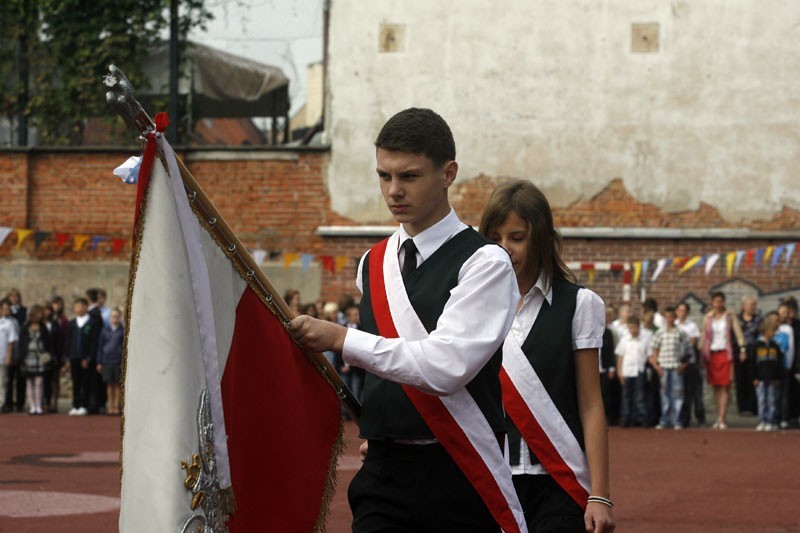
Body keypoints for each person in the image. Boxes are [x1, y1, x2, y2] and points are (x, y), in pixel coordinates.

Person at [289, 108, 526, 532]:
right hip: (384, 470)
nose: (394, 190)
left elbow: (446, 367)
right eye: (384, 176)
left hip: (458, 469)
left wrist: (343, 339)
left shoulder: (484, 262)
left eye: (409, 176)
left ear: (448, 172)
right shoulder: (373, 262)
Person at [480, 180, 615, 532]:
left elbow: (590, 403)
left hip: (558, 481)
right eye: (494, 239)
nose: (504, 249)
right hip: (490, 478)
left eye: (517, 237)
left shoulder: (579, 305)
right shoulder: (471, 307)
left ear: (540, 238)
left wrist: (599, 494)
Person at [701, 291, 746, 430]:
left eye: (720, 301)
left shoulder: (729, 316)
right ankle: (717, 416)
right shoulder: (708, 317)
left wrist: (742, 348)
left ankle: (722, 417)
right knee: (715, 386)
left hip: (726, 353)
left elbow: (738, 333)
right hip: (712, 353)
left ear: (724, 302)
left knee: (725, 385)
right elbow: (704, 335)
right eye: (716, 301)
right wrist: (701, 352)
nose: (718, 304)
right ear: (712, 303)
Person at [649, 307, 690, 430]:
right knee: (664, 394)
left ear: (675, 318)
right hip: (664, 367)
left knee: (677, 394)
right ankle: (664, 420)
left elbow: (688, 351)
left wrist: (684, 366)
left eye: (671, 317)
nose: (669, 319)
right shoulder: (660, 332)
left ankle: (676, 420)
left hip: (676, 367)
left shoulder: (681, 333)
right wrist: (657, 366)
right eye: (667, 317)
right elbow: (654, 349)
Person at [749, 313, 783, 431]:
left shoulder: (775, 346)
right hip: (761, 378)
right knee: (762, 400)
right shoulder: (757, 346)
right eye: (772, 331)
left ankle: (771, 420)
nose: (773, 333)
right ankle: (762, 420)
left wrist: (778, 377)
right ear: (765, 331)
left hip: (772, 378)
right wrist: (754, 377)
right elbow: (753, 362)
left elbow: (779, 363)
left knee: (772, 400)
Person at [616, 316, 651, 428]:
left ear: (638, 327)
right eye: (630, 328)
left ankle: (642, 418)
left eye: (635, 328)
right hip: (627, 371)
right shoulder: (624, 340)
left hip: (639, 370)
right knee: (626, 396)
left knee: (639, 395)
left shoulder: (644, 340)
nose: (633, 330)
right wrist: (619, 372)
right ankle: (626, 417)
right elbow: (620, 357)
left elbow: (649, 356)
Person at [675, 302, 705, 427]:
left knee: (694, 393)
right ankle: (683, 419)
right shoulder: (673, 325)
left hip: (690, 363)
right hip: (676, 364)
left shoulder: (692, 326)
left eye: (684, 311)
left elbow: (693, 343)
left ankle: (700, 417)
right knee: (680, 393)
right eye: (680, 310)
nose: (682, 313)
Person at [65, 297, 96, 416]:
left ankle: (84, 405)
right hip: (74, 357)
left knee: (85, 382)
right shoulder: (72, 323)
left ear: (85, 307)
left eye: (79, 306)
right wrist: (67, 358)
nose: (76, 309)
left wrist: (88, 358)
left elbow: (93, 342)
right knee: (75, 382)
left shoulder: (91, 323)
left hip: (85, 358)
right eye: (75, 307)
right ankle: (75, 405)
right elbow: (68, 342)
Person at [18, 305, 51, 415]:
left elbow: (47, 342)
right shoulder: (25, 327)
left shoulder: (43, 327)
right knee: (29, 382)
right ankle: (32, 406)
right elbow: (21, 343)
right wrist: (21, 358)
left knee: (39, 381)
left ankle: (38, 405)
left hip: (40, 357)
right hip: (28, 357)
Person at [736, 296, 762, 415]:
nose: (753, 307)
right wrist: (741, 350)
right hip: (739, 352)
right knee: (741, 379)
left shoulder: (759, 319)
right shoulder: (737, 319)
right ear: (743, 306)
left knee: (753, 379)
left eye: (754, 305)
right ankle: (742, 407)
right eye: (751, 305)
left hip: (754, 352)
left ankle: (753, 407)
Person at [96, 307, 124, 415]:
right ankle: (110, 405)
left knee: (117, 385)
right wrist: (99, 361)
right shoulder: (104, 330)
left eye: (117, 317)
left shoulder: (122, 330)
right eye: (113, 317)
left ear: (120, 317)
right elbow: (100, 346)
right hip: (106, 360)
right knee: (109, 384)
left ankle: (117, 406)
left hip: (117, 360)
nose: (115, 319)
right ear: (110, 318)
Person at [776, 300, 797, 429]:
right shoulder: (772, 327)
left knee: (785, 392)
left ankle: (785, 417)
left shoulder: (789, 329)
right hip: (772, 366)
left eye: (786, 312)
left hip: (785, 365)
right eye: (782, 312)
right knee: (774, 393)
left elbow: (791, 348)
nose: (784, 315)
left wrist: (789, 365)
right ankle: (773, 417)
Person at [41, 304, 62, 413]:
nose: (47, 313)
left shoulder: (55, 324)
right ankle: (41, 402)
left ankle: (51, 403)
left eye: (49, 310)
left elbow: (59, 341)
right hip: (41, 356)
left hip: (54, 356)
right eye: (45, 310)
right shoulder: (39, 324)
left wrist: (58, 356)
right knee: (42, 381)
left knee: (53, 381)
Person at [0, 299, 19, 413]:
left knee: (2, 381)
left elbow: (11, 342)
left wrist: (9, 356)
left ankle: (1, 402)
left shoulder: (9, 323)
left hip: (2, 356)